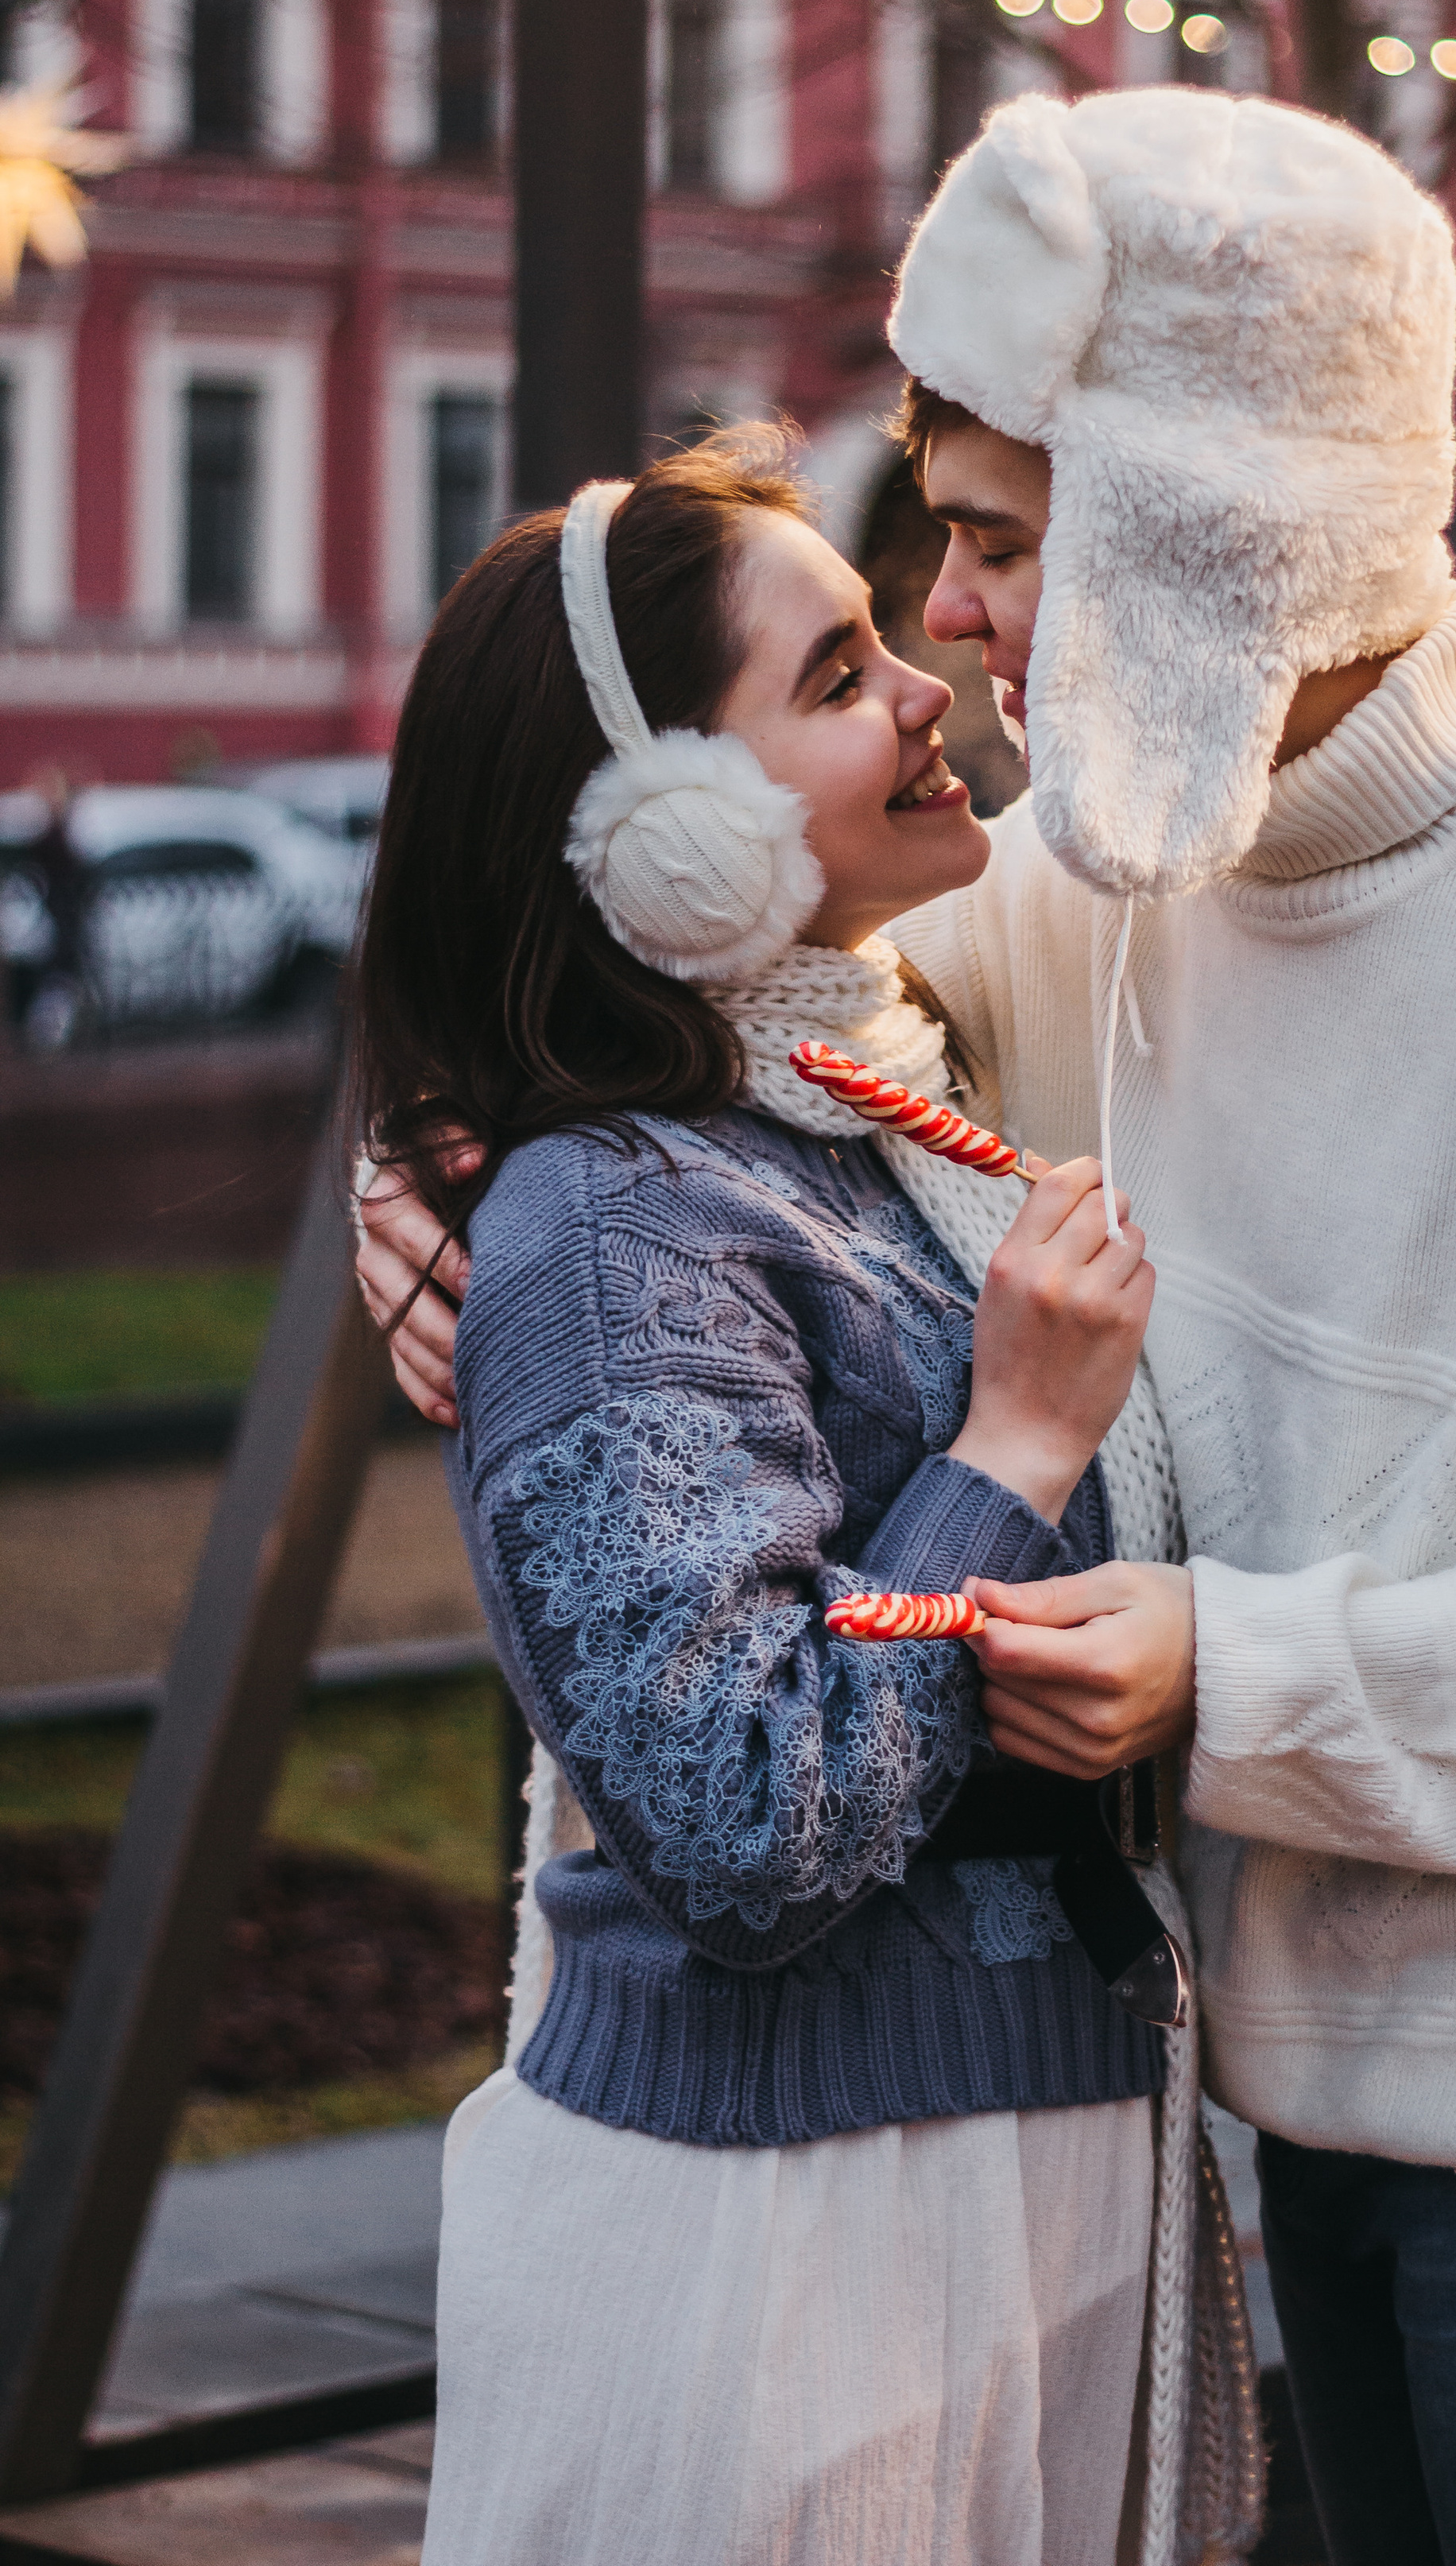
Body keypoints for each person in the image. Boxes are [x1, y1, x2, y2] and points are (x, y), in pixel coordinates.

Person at [365, 90, 1456, 2566]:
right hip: (1299, 2082)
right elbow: (739, 1005)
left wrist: (1243, 1665)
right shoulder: (1114, 876)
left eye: (989, 540)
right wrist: (441, 1155)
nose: (954, 616)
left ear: (1208, 530)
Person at [348, 428, 1260, 2566]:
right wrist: (1016, 1444)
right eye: (838, 675)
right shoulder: (607, 1223)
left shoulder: (876, 1104)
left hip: (1008, 2174)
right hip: (801, 2245)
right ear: (664, 834)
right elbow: (746, 1824)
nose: (923, 682)